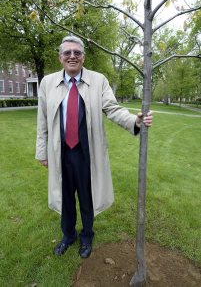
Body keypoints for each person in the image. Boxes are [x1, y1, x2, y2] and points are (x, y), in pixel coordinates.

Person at [35, 35, 152, 259]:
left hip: (87, 152)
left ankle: (87, 236)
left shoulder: (98, 81)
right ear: (60, 57)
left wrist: (135, 121)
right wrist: (42, 152)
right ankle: (68, 236)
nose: (72, 56)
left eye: (77, 53)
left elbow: (113, 108)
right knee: (65, 197)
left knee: (87, 197)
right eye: (67, 52)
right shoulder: (47, 83)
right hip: (60, 152)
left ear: (83, 57)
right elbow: (42, 119)